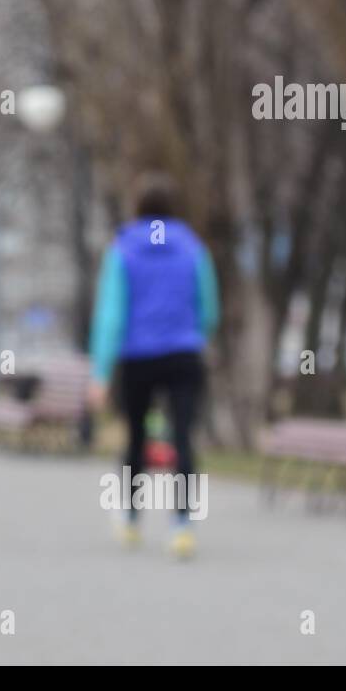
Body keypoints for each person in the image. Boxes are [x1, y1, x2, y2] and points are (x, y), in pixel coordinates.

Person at [87, 172, 220, 559]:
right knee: (183, 440)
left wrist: (100, 373)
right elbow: (209, 306)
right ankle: (182, 526)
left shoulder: (123, 249)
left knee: (135, 440)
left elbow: (111, 314)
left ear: (137, 207)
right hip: (183, 354)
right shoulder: (193, 248)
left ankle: (130, 518)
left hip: (137, 357)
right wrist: (195, 332)